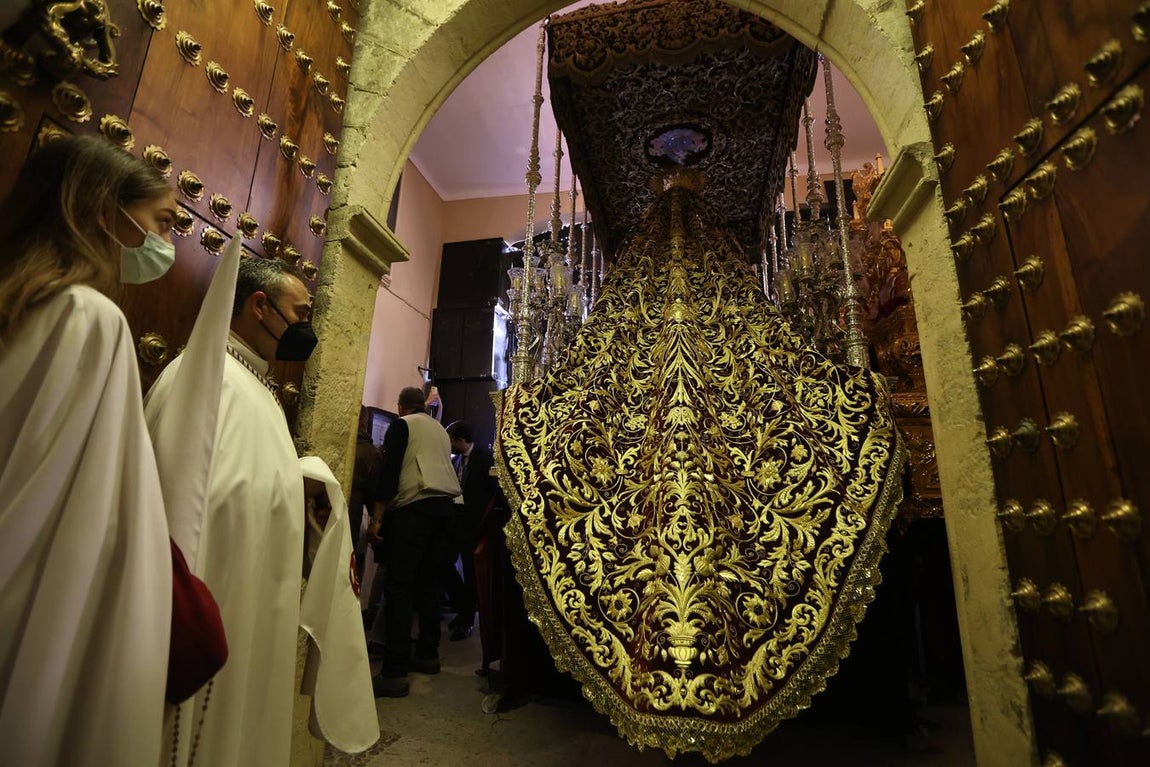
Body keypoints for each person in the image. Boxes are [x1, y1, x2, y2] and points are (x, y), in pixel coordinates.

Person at [0, 135, 177, 766]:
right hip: (39, 610)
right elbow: (90, 509)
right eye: (159, 223)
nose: (164, 245)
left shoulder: (20, 304)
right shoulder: (87, 317)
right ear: (105, 213)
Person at [144, 256, 317, 767]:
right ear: (259, 306)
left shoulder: (254, 383)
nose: (307, 329)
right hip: (216, 594)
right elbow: (181, 502)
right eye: (300, 313)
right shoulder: (203, 379)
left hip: (253, 597)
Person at [368, 386, 461, 697]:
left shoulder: (402, 425)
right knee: (430, 585)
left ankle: (394, 672)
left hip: (415, 511)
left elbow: (390, 471)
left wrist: (379, 516)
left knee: (400, 586)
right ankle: (427, 655)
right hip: (445, 510)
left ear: (401, 406)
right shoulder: (439, 430)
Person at [444, 420, 496, 641]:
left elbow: (492, 492)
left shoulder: (485, 458)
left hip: (474, 526)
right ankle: (464, 606)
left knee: (471, 573)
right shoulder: (456, 461)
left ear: (460, 439)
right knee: (445, 564)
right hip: (456, 523)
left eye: (452, 441)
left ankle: (466, 618)